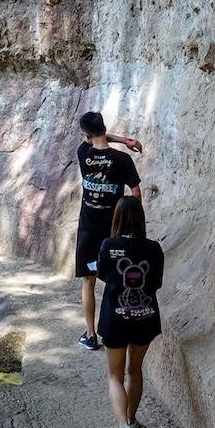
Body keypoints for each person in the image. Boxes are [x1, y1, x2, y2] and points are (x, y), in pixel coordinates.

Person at [95, 197, 165, 428]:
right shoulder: (154, 249)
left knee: (114, 376)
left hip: (114, 318)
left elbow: (103, 275)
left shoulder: (108, 246)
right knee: (134, 371)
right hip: (145, 318)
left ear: (117, 219)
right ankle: (132, 419)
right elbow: (156, 283)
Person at [73, 109, 143, 350]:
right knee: (116, 281)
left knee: (88, 282)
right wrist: (126, 141)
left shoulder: (83, 153)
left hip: (88, 232)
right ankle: (119, 329)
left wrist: (119, 139)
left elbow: (96, 138)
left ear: (86, 135)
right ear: (103, 128)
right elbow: (135, 192)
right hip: (114, 233)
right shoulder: (122, 160)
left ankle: (91, 334)